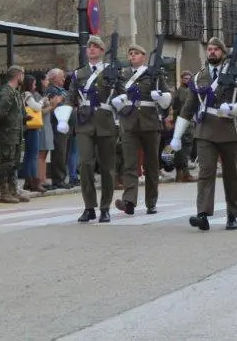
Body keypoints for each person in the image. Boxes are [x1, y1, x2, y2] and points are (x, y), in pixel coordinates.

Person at [171, 37, 237, 231]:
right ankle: (203, 214)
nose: (212, 52)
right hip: (204, 131)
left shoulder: (236, 75)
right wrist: (176, 136)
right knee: (206, 172)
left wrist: (231, 107)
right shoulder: (198, 78)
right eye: (210, 49)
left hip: (228, 129)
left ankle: (232, 214)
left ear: (223, 53)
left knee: (231, 174)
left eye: (216, 49)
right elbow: (188, 109)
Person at [112, 43, 170, 216]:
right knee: (129, 163)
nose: (132, 56)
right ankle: (129, 201)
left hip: (150, 122)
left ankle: (151, 202)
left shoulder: (154, 74)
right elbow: (114, 96)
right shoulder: (122, 75)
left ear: (143, 56)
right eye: (130, 53)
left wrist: (159, 97)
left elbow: (166, 97)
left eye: (136, 53)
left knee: (151, 164)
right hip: (129, 121)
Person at [67, 36, 120, 224]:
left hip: (106, 122)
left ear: (102, 51)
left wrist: (120, 103)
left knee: (107, 168)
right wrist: (64, 117)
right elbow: (71, 97)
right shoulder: (79, 73)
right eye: (89, 47)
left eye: (96, 47)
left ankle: (105, 207)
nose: (91, 50)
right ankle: (89, 206)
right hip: (84, 122)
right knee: (86, 164)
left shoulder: (112, 71)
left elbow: (122, 94)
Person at [0, 66, 29, 204]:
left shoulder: (15, 92)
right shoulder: (7, 92)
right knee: (7, 162)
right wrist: (3, 127)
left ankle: (13, 190)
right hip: (8, 132)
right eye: (23, 74)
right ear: (18, 75)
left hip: (15, 132)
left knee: (14, 162)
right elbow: (2, 113)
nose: (23, 77)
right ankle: (4, 192)